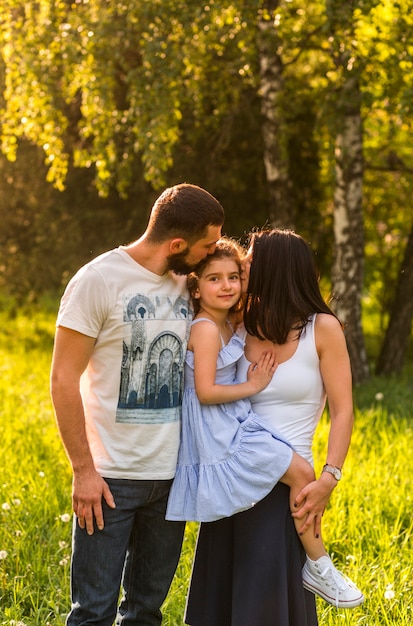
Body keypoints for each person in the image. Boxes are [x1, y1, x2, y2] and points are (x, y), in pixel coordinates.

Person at [50, 183, 224, 626]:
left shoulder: (189, 283)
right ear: (178, 244)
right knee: (92, 612)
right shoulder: (97, 281)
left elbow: (238, 285)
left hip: (170, 479)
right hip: (109, 480)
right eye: (206, 246)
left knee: (146, 612)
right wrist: (84, 471)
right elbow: (63, 379)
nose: (210, 255)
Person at [165, 237, 363, 611]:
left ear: (276, 268)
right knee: (227, 608)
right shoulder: (239, 324)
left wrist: (329, 477)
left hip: (287, 484)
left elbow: (344, 411)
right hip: (232, 473)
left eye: (250, 260)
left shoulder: (322, 328)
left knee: (268, 609)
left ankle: (320, 567)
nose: (242, 267)